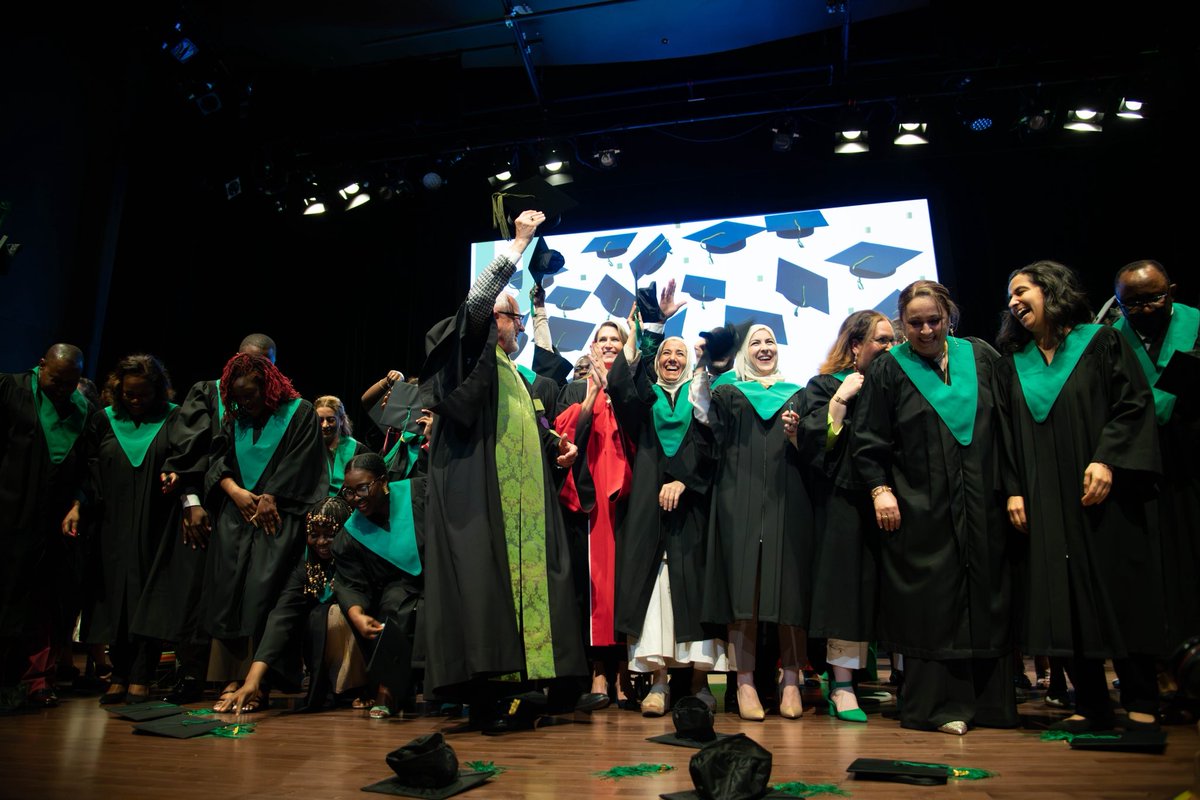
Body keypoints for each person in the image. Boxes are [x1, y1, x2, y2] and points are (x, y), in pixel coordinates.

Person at [419, 208, 592, 733]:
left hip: (522, 505)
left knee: (528, 588)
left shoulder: (513, 375)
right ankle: (489, 694)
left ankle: (531, 684)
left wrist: (554, 446)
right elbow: (474, 308)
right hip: (479, 500)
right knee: (484, 588)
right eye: (513, 317)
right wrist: (517, 245)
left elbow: (525, 427)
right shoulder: (471, 354)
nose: (517, 326)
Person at [995, 261, 1163, 733]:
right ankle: (1089, 701)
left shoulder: (1101, 342)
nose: (1013, 302)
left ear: (1051, 290)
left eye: (1022, 290)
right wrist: (1013, 489)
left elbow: (1133, 405)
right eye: (1010, 296)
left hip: (1101, 495)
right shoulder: (1015, 365)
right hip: (1043, 497)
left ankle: (1140, 695)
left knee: (1117, 591)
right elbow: (1005, 436)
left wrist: (1108, 458)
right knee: (1059, 597)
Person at [851, 280, 1016, 735]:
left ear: (949, 317)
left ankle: (989, 705)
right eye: (915, 323)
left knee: (986, 593)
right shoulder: (890, 369)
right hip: (919, 502)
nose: (925, 330)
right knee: (930, 598)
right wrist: (880, 489)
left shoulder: (979, 356)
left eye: (934, 321)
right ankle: (937, 707)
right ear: (902, 324)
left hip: (983, 499)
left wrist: (1013, 489)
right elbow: (869, 438)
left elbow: (1007, 426)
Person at [137, 334, 277, 705]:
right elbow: (187, 450)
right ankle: (191, 674)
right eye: (246, 363)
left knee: (239, 593)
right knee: (194, 590)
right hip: (206, 509)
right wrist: (191, 500)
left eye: (263, 365)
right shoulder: (207, 393)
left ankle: (237, 677)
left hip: (248, 512)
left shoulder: (278, 403)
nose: (252, 371)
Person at [690, 324, 812, 721]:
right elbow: (705, 418)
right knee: (744, 590)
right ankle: (744, 683)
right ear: (745, 352)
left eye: (771, 342)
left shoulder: (798, 393)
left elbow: (814, 451)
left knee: (789, 588)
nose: (764, 347)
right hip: (737, 498)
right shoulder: (728, 391)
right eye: (756, 342)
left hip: (786, 497)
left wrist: (798, 436)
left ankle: (790, 680)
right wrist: (703, 366)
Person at [607, 316, 728, 717]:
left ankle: (698, 684)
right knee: (655, 593)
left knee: (694, 589)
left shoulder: (702, 400)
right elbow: (623, 387)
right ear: (656, 362)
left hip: (694, 511)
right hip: (649, 509)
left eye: (680, 352)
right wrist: (638, 337)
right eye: (665, 354)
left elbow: (714, 451)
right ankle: (657, 681)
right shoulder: (646, 403)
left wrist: (684, 482)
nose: (672, 358)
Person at [202, 352, 326, 708]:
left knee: (263, 590)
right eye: (239, 397)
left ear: (268, 388)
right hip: (236, 516)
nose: (246, 403)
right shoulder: (235, 418)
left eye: (252, 396)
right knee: (229, 590)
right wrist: (235, 492)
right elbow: (217, 461)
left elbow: (305, 461)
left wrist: (273, 494)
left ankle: (263, 680)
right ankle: (229, 675)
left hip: (278, 518)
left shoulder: (299, 412)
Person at [798, 310, 895, 723]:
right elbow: (813, 443)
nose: (892, 348)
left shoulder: (897, 383)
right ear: (856, 345)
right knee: (845, 595)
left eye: (894, 340)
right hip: (843, 502)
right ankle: (842, 686)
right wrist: (841, 399)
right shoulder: (825, 386)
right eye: (883, 340)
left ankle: (897, 680)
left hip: (893, 499)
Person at [1111, 261, 1199, 670]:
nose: (1144, 308)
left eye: (1154, 298)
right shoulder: (1112, 341)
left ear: (1173, 291)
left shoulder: (1197, 326)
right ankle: (1168, 667)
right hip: (1145, 472)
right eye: (1132, 303)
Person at [0, 344, 98, 708]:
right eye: (57, 379)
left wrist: (78, 503)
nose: (62, 388)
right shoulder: (10, 389)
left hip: (51, 525)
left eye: (71, 382)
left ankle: (28, 682)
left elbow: (89, 468)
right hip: (8, 515)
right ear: (41, 366)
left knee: (41, 604)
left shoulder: (83, 410)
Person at [83, 354, 179, 705]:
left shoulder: (173, 418)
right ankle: (119, 673)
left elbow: (184, 458)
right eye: (129, 395)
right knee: (113, 597)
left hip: (157, 522)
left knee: (148, 596)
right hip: (111, 522)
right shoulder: (103, 421)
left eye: (143, 394)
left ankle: (142, 674)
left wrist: (175, 473)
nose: (136, 401)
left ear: (157, 391)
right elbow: (88, 467)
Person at [213, 497, 367, 714]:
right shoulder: (306, 567)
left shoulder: (359, 558)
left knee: (332, 614)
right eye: (314, 535)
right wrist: (252, 680)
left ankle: (359, 688)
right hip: (322, 647)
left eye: (330, 535)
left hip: (364, 648)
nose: (321, 542)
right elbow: (282, 617)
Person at [554, 317, 638, 705]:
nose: (608, 345)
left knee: (623, 584)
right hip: (588, 500)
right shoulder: (574, 387)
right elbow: (564, 432)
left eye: (615, 339)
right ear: (592, 346)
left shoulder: (632, 385)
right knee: (592, 588)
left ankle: (624, 671)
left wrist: (617, 391)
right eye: (602, 339)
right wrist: (591, 396)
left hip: (626, 498)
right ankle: (598, 672)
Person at [332, 453, 425, 718]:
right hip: (399, 588)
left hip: (440, 573)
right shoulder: (351, 534)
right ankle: (388, 689)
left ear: (383, 482)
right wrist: (356, 613)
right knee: (393, 607)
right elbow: (350, 581)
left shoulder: (417, 491)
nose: (356, 498)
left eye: (363, 488)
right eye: (348, 492)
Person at [314, 395, 369, 495]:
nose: (325, 425)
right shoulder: (309, 448)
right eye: (320, 420)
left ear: (342, 420)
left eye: (331, 420)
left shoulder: (359, 451)